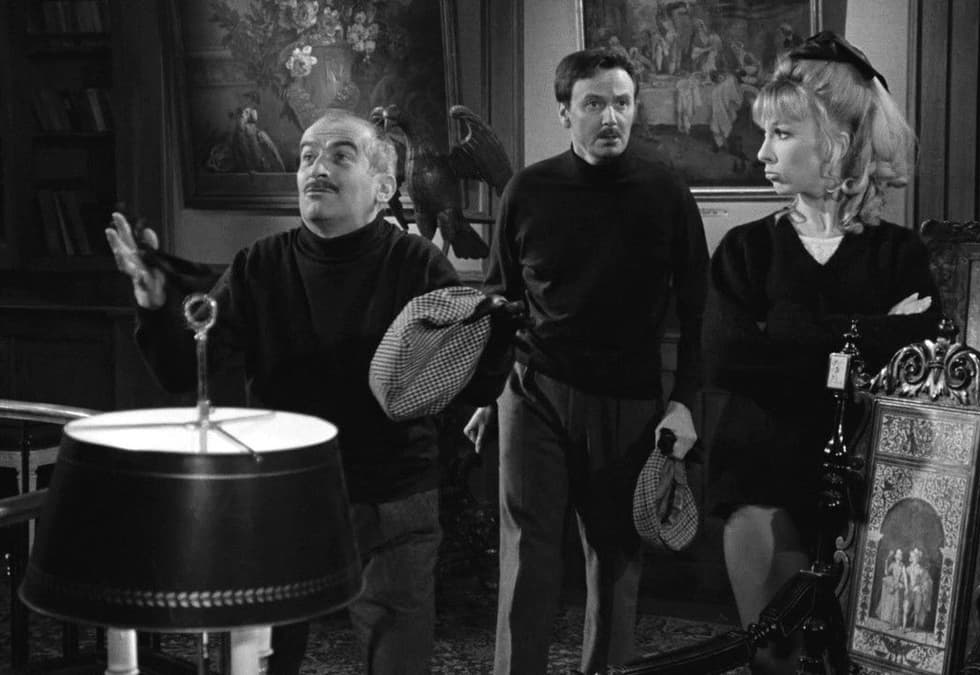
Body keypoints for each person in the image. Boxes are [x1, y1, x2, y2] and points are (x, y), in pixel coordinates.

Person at [106, 109, 465, 675]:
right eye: (306, 157)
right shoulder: (261, 265)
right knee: (262, 663)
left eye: (340, 156)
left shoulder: (420, 265)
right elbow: (183, 372)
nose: (316, 169)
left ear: (383, 188)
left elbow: (462, 379)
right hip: (283, 493)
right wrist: (153, 307)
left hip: (392, 498)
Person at [463, 47, 709, 675]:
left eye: (621, 103)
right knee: (528, 555)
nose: (610, 118)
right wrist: (488, 391)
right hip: (534, 390)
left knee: (616, 560)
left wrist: (685, 401)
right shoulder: (528, 189)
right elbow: (501, 298)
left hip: (629, 396)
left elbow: (699, 313)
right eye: (594, 103)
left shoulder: (666, 192)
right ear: (564, 113)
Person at [701, 31, 940, 672]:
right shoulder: (746, 250)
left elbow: (919, 362)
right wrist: (870, 331)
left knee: (863, 662)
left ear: (837, 141)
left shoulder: (900, 254)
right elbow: (727, 360)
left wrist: (786, 334)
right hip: (762, 482)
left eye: (781, 134)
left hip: (877, 492)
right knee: (774, 660)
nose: (762, 152)